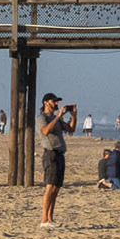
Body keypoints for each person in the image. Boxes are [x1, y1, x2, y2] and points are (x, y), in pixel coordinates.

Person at [37, 93, 76, 226]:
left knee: (56, 188)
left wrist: (73, 116)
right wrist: (58, 116)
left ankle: (50, 218)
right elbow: (45, 131)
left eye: (57, 102)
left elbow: (71, 129)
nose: (56, 104)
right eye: (54, 101)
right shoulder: (42, 118)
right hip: (50, 153)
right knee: (50, 187)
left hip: (60, 154)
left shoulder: (55, 118)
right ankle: (44, 219)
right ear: (46, 103)